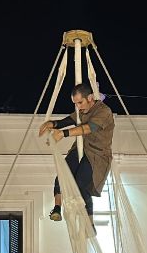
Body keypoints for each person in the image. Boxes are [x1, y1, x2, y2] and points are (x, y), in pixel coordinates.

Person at [39, 82, 115, 226]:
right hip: (81, 147)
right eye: (76, 103)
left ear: (90, 98)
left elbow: (89, 128)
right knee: (62, 174)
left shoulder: (104, 111)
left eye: (80, 102)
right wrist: (53, 124)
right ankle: (57, 208)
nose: (78, 107)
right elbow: (70, 120)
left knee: (81, 184)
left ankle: (89, 223)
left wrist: (63, 133)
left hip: (97, 155)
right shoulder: (82, 110)